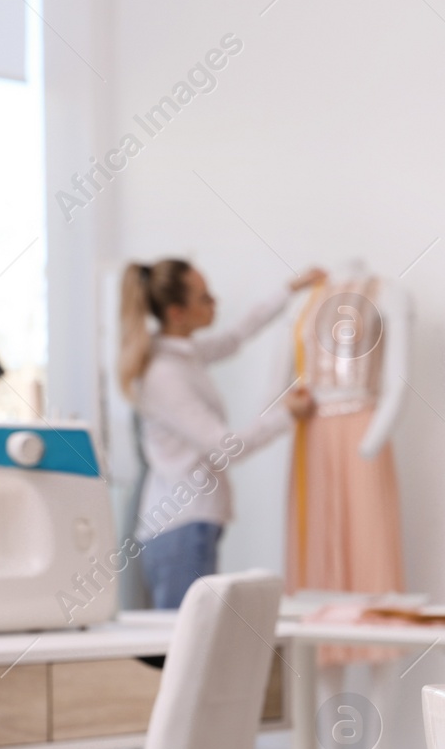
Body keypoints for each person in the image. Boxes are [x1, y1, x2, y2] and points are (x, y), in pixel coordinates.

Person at [119, 259, 323, 608]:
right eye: (204, 297)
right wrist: (284, 416)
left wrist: (290, 289)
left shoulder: (184, 354)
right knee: (187, 649)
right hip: (181, 526)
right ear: (177, 312)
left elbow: (235, 337)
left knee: (191, 644)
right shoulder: (165, 374)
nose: (215, 303)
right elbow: (227, 448)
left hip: (190, 525)